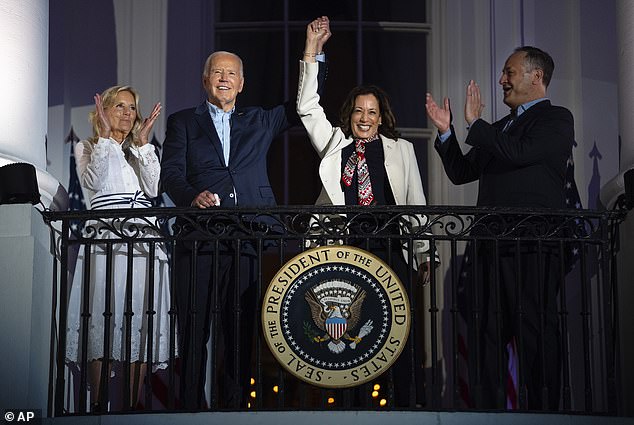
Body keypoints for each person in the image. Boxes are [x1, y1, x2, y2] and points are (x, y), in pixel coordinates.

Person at [160, 23, 329, 409]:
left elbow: (302, 103)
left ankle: (235, 407)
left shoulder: (259, 120)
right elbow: (170, 173)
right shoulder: (183, 121)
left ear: (241, 84)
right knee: (194, 325)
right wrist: (192, 195)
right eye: (217, 72)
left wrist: (312, 53)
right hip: (199, 237)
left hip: (248, 235)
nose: (224, 78)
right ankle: (188, 408)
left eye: (231, 73)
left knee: (239, 328)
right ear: (206, 81)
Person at [425, 46, 574, 410]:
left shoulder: (556, 119)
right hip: (490, 248)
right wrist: (447, 134)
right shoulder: (498, 129)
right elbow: (462, 173)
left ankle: (545, 415)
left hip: (533, 245)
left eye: (509, 72)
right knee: (485, 338)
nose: (501, 80)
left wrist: (477, 126)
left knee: (535, 333)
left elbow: (521, 152)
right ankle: (486, 414)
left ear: (536, 76)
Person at [297, 17, 435, 407]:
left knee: (398, 332)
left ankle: (404, 404)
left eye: (372, 112)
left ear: (381, 116)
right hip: (346, 249)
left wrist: (425, 253)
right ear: (351, 113)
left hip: (392, 247)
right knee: (353, 336)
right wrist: (312, 52)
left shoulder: (401, 149)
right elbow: (307, 108)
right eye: (359, 111)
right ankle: (349, 406)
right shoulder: (335, 143)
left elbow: (416, 202)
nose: (364, 118)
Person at [66, 85, 172, 412]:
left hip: (143, 241)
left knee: (140, 319)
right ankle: (98, 405)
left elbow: (154, 186)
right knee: (103, 313)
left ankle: (129, 407)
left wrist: (142, 146)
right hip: (107, 239)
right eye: (120, 106)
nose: (127, 113)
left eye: (132, 108)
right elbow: (93, 183)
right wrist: (107, 139)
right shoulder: (88, 147)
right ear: (104, 111)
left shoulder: (140, 150)